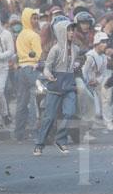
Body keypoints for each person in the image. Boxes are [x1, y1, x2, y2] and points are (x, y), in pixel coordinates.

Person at [34, 20, 80, 156]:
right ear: (61, 32)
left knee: (70, 112)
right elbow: (47, 67)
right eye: (68, 30)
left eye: (73, 30)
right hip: (55, 86)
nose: (72, 33)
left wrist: (76, 66)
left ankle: (61, 140)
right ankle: (39, 144)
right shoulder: (55, 49)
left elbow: (73, 65)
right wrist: (48, 75)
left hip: (69, 86)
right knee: (49, 117)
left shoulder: (76, 49)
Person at [14, 8, 42, 141]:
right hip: (32, 70)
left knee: (21, 102)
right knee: (36, 100)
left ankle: (18, 133)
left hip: (21, 70)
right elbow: (39, 55)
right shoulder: (34, 35)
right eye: (33, 18)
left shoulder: (20, 35)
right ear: (27, 19)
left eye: (37, 18)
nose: (36, 21)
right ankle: (35, 131)